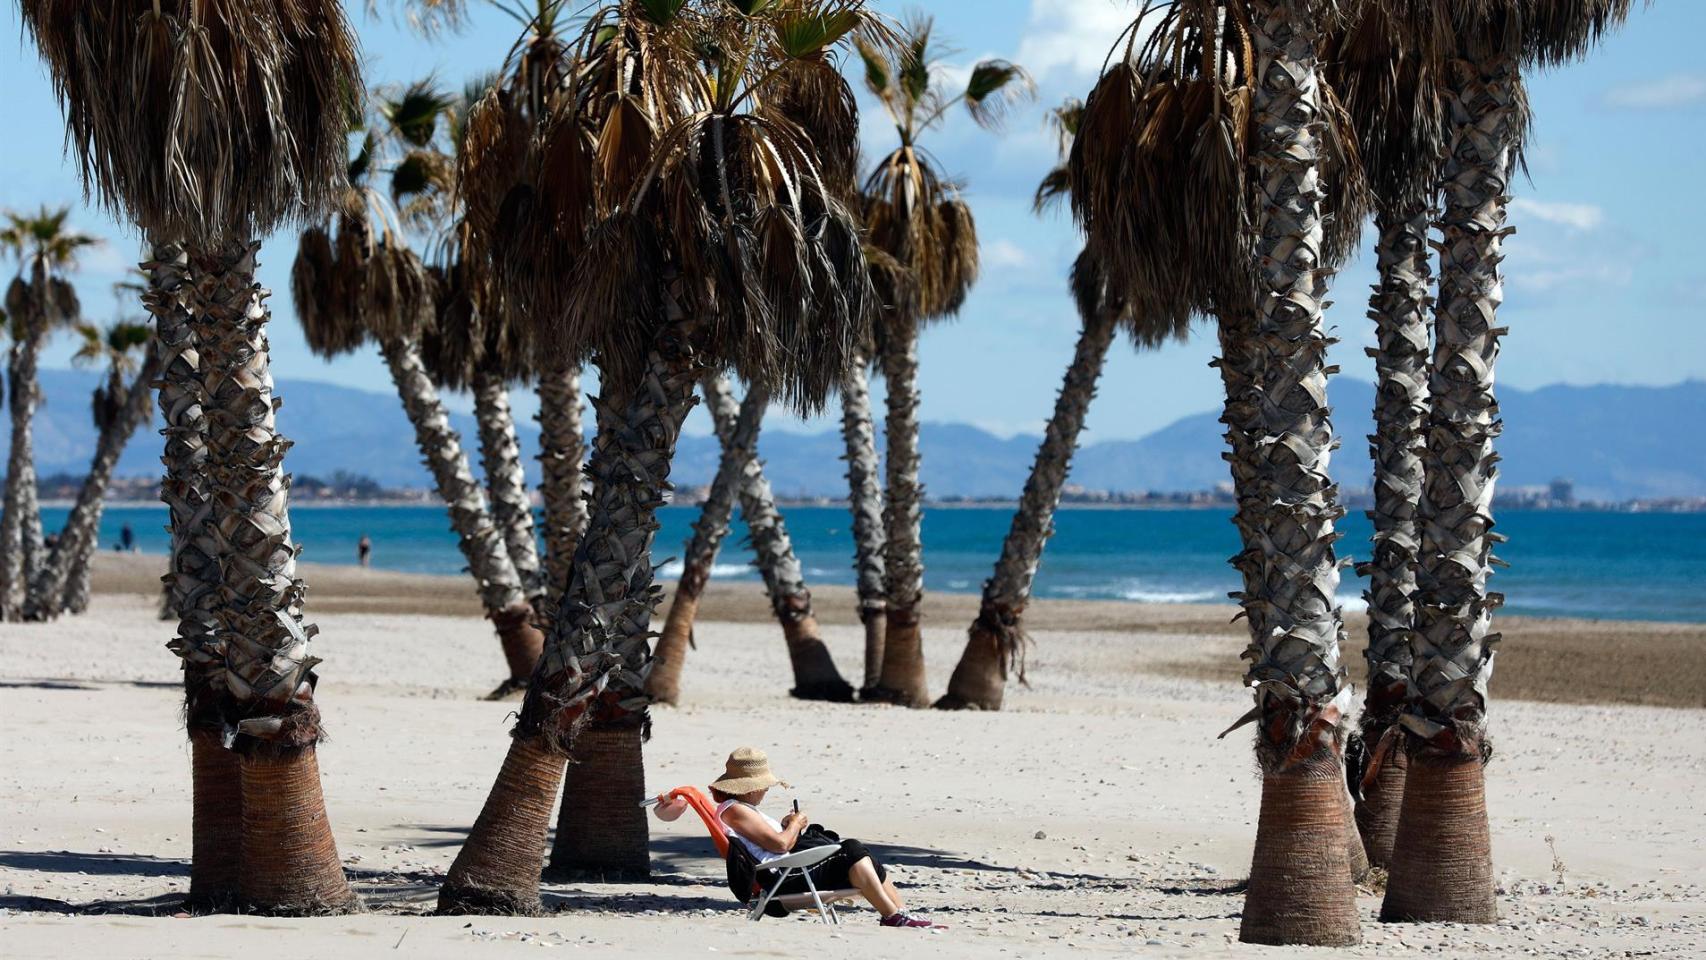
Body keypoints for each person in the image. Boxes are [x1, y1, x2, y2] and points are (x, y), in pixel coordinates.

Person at [658, 747, 940, 929]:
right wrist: (794, 824)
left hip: (790, 869)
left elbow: (773, 842)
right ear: (748, 788)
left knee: (860, 855)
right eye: (763, 786)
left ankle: (900, 913)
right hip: (784, 877)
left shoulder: (741, 809)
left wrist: (787, 826)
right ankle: (893, 916)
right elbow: (780, 845)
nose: (765, 791)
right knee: (851, 849)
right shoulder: (735, 811)